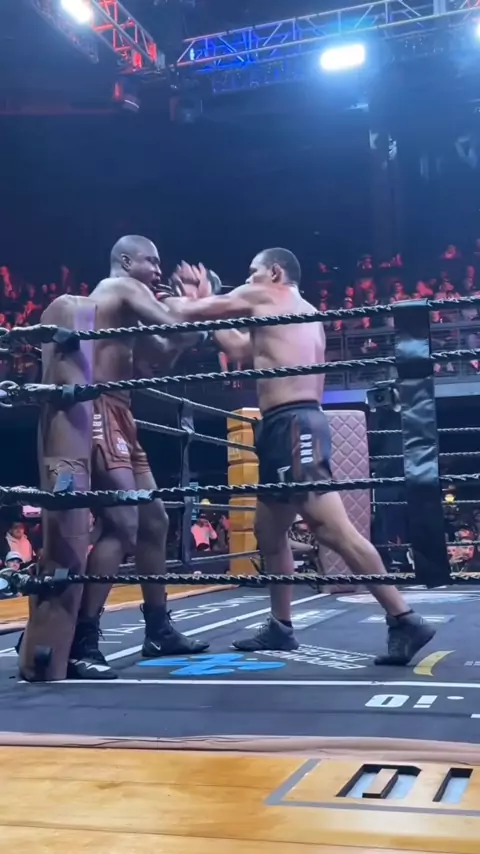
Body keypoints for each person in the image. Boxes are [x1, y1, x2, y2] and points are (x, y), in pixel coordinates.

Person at [174, 249, 436, 664]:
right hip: (286, 426)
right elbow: (239, 348)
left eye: (253, 271)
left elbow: (191, 312)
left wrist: (196, 294)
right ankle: (281, 627)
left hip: (294, 426)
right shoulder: (302, 311)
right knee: (268, 530)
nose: (249, 279)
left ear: (275, 272)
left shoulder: (265, 295)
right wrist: (206, 304)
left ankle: (403, 617)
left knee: (332, 530)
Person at [67, 236, 249, 680]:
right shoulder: (119, 287)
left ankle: (158, 629)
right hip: (98, 408)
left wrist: (195, 310)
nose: (157, 269)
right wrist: (199, 300)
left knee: (154, 521)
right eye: (151, 261)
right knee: (122, 522)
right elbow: (174, 320)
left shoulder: (129, 307)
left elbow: (162, 354)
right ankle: (81, 640)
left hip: (121, 413)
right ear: (126, 260)